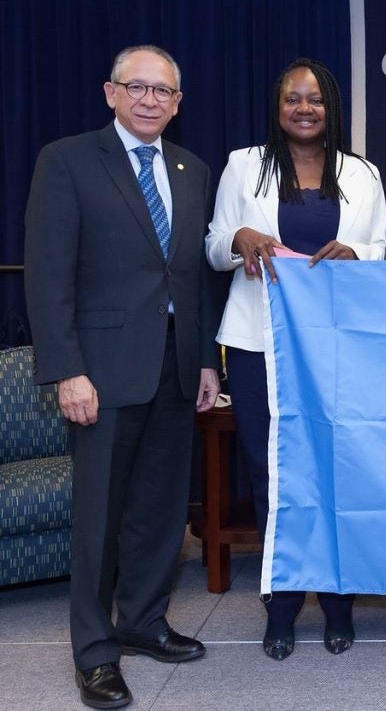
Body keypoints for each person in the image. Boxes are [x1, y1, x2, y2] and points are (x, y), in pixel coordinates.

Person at [24, 45, 220, 709]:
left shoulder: (192, 170)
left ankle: (142, 619)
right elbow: (48, 277)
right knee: (99, 518)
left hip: (174, 366)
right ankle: (96, 652)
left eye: (163, 91)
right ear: (110, 93)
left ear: (177, 102)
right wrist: (67, 370)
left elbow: (190, 276)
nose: (149, 99)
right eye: (136, 87)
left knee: (161, 512)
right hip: (100, 373)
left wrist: (205, 360)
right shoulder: (68, 160)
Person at [206, 58, 386, 661]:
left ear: (331, 108)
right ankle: (280, 603)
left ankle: (337, 600)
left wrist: (357, 253)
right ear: (277, 107)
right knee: (270, 469)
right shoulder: (243, 165)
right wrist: (239, 240)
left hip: (339, 345)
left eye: (315, 100)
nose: (304, 109)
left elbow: (385, 249)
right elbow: (211, 246)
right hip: (259, 341)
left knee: (336, 465)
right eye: (293, 99)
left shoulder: (361, 173)